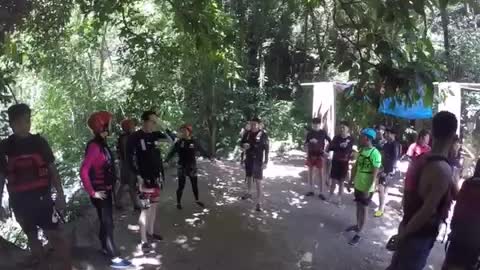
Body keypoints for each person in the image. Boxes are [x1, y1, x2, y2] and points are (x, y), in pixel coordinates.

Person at [0, 104, 71, 270]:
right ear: (11, 124)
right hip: (19, 201)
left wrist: (60, 195)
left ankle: (68, 267)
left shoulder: (39, 142)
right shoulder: (4, 147)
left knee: (55, 235)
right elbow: (2, 176)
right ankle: (43, 265)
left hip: (43, 199)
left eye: (27, 120)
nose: (25, 124)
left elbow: (53, 169)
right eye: (20, 121)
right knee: (32, 236)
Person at [386, 111, 458, 270]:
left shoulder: (422, 159)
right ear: (453, 136)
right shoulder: (442, 170)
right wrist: (402, 236)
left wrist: (403, 231)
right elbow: (427, 211)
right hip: (418, 235)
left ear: (432, 132)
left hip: (407, 224)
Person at [80, 111, 132, 268]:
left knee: (106, 221)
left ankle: (105, 247)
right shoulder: (95, 147)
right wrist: (93, 192)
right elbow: (84, 171)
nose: (110, 126)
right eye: (108, 123)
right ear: (101, 126)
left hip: (106, 190)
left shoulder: (102, 144)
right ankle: (114, 259)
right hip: (100, 192)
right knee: (108, 222)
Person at [126, 110, 174, 250]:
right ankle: (143, 240)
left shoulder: (155, 135)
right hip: (143, 179)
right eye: (153, 121)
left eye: (156, 121)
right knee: (145, 209)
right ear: (145, 121)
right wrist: (138, 175)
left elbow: (173, 139)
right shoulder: (134, 137)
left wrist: (161, 124)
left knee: (154, 206)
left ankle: (151, 232)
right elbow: (129, 159)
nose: (155, 124)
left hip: (156, 178)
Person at [346, 128, 382, 246]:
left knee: (364, 208)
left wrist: (370, 186)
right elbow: (356, 166)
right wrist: (351, 180)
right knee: (358, 205)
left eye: (362, 136)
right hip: (358, 183)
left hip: (367, 185)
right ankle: (357, 225)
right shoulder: (361, 151)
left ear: (367, 138)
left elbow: (375, 172)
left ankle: (360, 232)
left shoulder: (375, 153)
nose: (360, 138)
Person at [442, 159, 480, 270]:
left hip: (458, 235)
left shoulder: (468, 183)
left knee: (450, 264)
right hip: (474, 241)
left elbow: (458, 208)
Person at [165, 124, 212, 210]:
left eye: (184, 130)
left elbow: (202, 150)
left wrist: (209, 156)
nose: (183, 132)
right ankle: (178, 203)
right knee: (181, 186)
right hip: (181, 166)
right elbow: (172, 152)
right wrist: (166, 160)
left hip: (192, 167)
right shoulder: (179, 142)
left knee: (194, 185)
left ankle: (197, 200)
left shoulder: (194, 142)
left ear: (189, 132)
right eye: (181, 131)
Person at [240, 117, 269, 212]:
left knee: (258, 181)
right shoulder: (247, 133)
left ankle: (258, 202)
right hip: (248, 158)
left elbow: (266, 149)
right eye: (251, 124)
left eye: (255, 124)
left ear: (259, 125)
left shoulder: (263, 135)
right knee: (248, 176)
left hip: (258, 160)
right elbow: (241, 144)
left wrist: (266, 162)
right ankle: (249, 192)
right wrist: (244, 146)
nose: (253, 126)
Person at [375, 127, 401, 217]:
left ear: (393, 134)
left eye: (388, 133)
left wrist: (388, 171)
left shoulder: (396, 145)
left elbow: (395, 159)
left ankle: (381, 208)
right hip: (384, 167)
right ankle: (382, 205)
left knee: (381, 187)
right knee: (384, 188)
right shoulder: (386, 144)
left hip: (390, 170)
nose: (386, 134)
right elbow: (382, 155)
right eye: (386, 133)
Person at [115, 118, 141, 211]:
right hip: (128, 164)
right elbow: (129, 154)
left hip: (124, 164)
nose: (134, 127)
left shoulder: (123, 137)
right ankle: (136, 204)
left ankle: (118, 202)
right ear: (128, 127)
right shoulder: (127, 138)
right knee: (131, 184)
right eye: (132, 125)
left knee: (124, 183)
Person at [304, 117, 332, 200]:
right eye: (314, 124)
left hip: (320, 155)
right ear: (312, 125)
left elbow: (330, 141)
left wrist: (327, 152)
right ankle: (311, 190)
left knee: (321, 174)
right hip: (311, 155)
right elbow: (305, 144)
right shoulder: (310, 133)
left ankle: (321, 192)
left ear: (320, 124)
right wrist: (309, 142)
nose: (316, 125)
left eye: (317, 124)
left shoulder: (323, 132)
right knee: (310, 173)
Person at [327, 121, 354, 204]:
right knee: (333, 181)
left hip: (344, 163)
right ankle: (330, 196)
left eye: (344, 127)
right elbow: (330, 147)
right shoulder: (336, 137)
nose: (342, 129)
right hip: (335, 161)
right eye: (341, 127)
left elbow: (351, 150)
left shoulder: (351, 139)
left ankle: (339, 199)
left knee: (341, 182)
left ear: (348, 129)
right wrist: (339, 145)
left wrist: (346, 147)